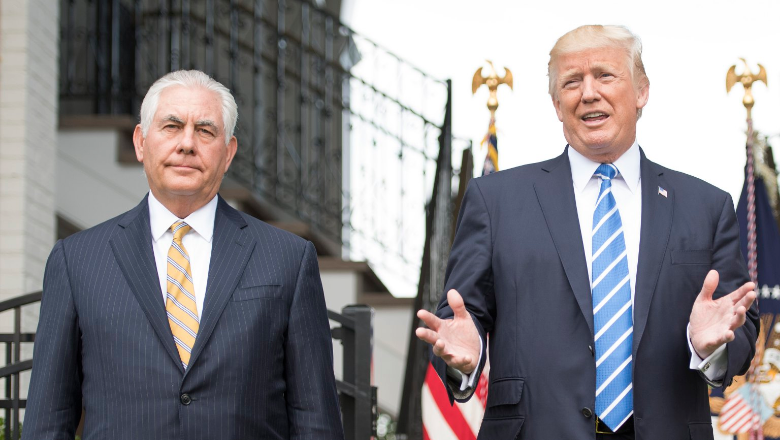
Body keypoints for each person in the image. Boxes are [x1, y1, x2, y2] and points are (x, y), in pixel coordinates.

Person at [416, 25, 759, 439]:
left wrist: (710, 347)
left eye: (604, 75)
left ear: (642, 91)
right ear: (557, 105)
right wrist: (464, 360)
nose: (589, 93)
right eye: (572, 82)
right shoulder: (495, 201)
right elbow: (458, 320)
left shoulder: (706, 206)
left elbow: (740, 326)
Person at [23, 70, 344, 440]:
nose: (187, 143)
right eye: (172, 126)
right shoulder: (77, 260)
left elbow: (315, 420)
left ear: (228, 153)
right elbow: (47, 422)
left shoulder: (288, 259)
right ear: (141, 142)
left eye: (205, 131)